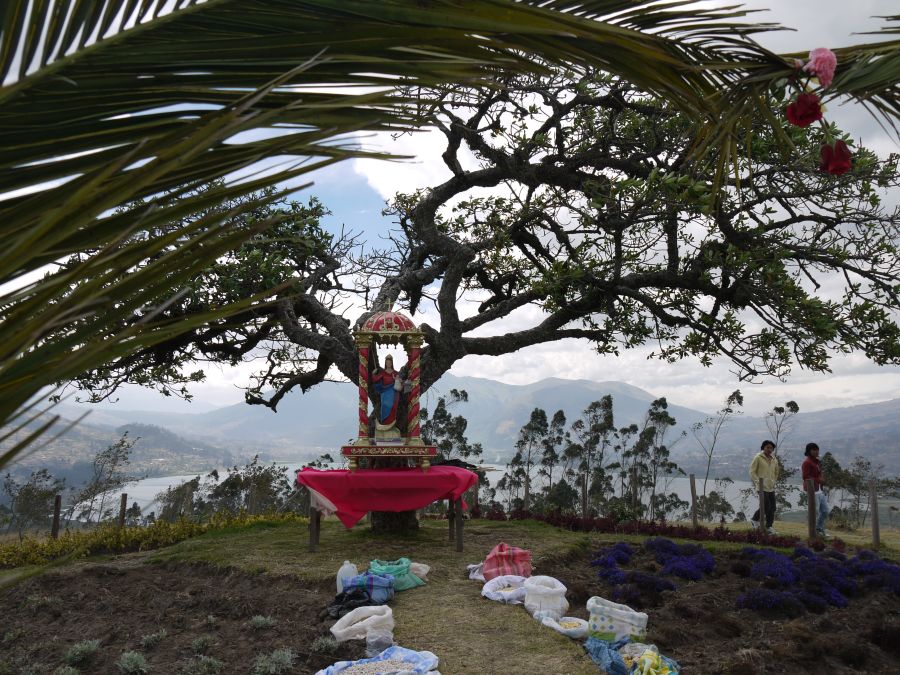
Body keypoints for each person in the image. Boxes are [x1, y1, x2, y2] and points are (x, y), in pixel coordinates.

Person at [749, 440, 779, 534]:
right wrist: (758, 482)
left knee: (773, 507)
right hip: (761, 487)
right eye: (767, 447)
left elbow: (776, 472)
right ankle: (754, 519)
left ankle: (769, 526)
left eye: (771, 448)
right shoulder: (758, 457)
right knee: (766, 506)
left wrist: (774, 481)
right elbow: (752, 471)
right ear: (763, 447)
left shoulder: (774, 459)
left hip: (771, 487)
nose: (770, 449)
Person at [802, 442, 830, 538]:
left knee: (826, 511)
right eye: (814, 449)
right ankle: (813, 532)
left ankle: (818, 528)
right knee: (814, 512)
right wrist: (819, 480)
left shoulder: (818, 462)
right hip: (812, 490)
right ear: (809, 451)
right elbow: (805, 476)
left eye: (817, 449)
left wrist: (822, 479)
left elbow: (819, 474)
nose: (816, 451)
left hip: (819, 490)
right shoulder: (807, 462)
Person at [371, 354, 403, 429]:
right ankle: (385, 426)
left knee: (393, 408)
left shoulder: (396, 373)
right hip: (385, 394)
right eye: (387, 362)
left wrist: (399, 380)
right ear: (385, 363)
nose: (388, 364)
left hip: (394, 394)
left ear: (392, 363)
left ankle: (391, 427)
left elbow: (400, 383)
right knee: (385, 407)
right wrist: (373, 373)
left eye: (390, 362)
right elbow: (375, 379)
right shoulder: (382, 373)